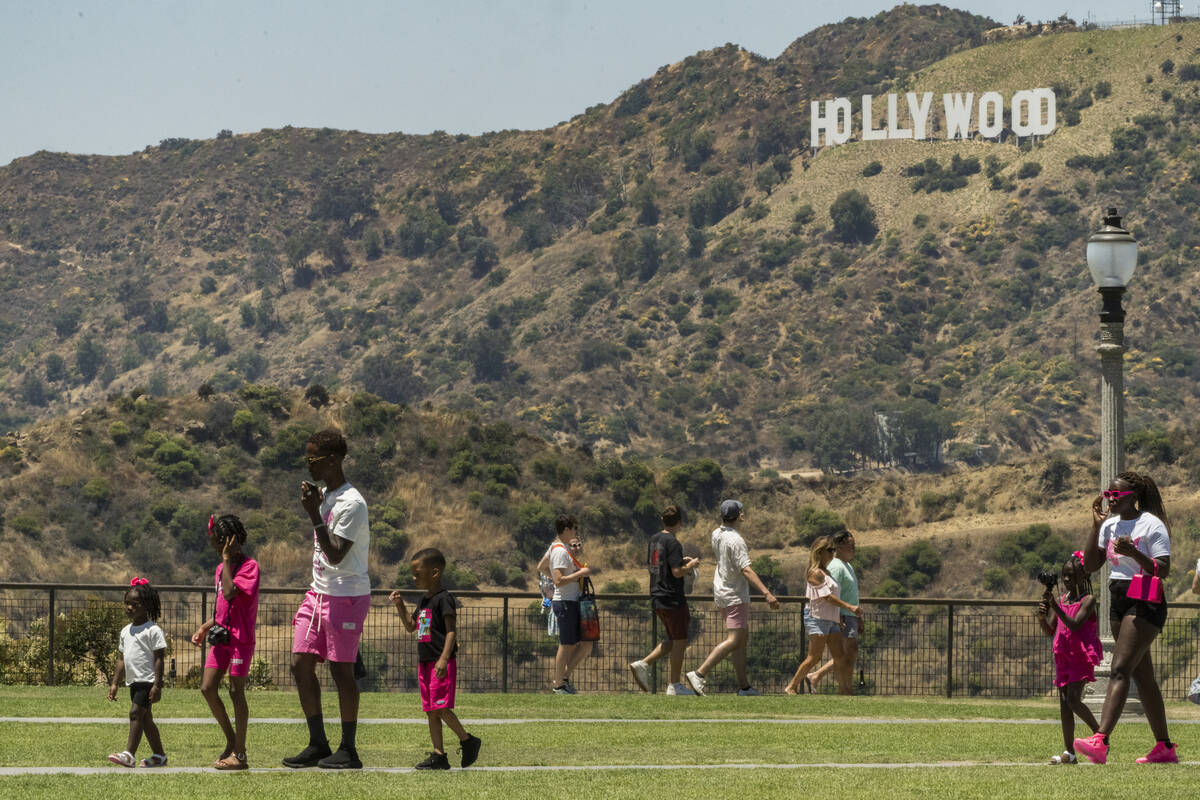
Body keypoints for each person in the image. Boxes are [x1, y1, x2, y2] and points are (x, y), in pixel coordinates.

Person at [1075, 470, 1178, 764]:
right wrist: (1096, 527)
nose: (1110, 499)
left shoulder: (1151, 524)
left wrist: (1134, 552)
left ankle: (1101, 739)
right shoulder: (1109, 526)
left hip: (1145, 600)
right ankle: (1164, 748)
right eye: (1108, 494)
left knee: (1119, 668)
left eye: (1116, 495)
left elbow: (1163, 570)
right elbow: (1091, 566)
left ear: (1133, 497)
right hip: (1119, 597)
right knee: (1143, 676)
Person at [283, 429, 372, 770]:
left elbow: (336, 554)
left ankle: (348, 750)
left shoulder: (352, 503)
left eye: (313, 459)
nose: (308, 465)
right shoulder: (326, 496)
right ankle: (318, 743)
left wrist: (313, 513)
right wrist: (317, 507)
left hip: (346, 596)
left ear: (332, 460)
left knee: (341, 670)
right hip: (318, 592)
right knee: (299, 664)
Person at [390, 548, 482, 770]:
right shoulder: (423, 601)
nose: (414, 578)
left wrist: (443, 658)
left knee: (440, 707)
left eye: (417, 573)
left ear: (435, 573)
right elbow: (412, 627)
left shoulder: (444, 600)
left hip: (441, 663)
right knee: (431, 709)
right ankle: (439, 755)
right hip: (425, 661)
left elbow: (451, 631)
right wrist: (400, 605)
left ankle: (467, 740)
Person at [685, 499, 780, 696]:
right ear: (739, 516)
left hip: (721, 589)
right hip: (734, 593)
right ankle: (699, 673)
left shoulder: (716, 533)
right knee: (735, 639)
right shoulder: (736, 540)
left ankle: (744, 687)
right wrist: (767, 593)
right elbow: (746, 569)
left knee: (741, 640)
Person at [190, 514, 260, 770]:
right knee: (208, 688)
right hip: (221, 635)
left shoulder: (249, 567)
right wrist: (205, 626)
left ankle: (240, 756)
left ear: (233, 540)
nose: (217, 548)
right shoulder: (221, 569)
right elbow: (222, 607)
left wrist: (228, 560)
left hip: (241, 639)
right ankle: (232, 741)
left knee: (235, 691)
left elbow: (230, 593)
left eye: (220, 542)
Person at [1037, 551, 1102, 764]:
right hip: (1063, 656)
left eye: (1071, 575)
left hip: (1080, 655)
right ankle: (1070, 753)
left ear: (1083, 577)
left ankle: (1101, 737)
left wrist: (1055, 606)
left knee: (1073, 699)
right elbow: (1051, 630)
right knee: (1064, 704)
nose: (1066, 580)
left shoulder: (1088, 600)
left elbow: (1074, 625)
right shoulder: (1063, 598)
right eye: (1064, 575)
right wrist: (1042, 617)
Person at [629, 505, 701, 695]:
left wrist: (679, 561)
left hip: (657, 595)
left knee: (672, 640)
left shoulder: (654, 539)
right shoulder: (674, 542)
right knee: (681, 641)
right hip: (672, 597)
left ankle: (643, 664)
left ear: (662, 519)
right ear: (679, 522)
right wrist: (691, 565)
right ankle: (674, 685)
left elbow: (660, 564)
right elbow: (677, 573)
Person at [785, 537, 861, 694]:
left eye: (834, 550)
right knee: (814, 657)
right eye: (830, 550)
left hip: (831, 619)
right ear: (820, 552)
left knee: (840, 656)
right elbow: (827, 597)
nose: (833, 554)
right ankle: (791, 686)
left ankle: (845, 691)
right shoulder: (815, 573)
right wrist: (849, 607)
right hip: (818, 618)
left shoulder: (827, 572)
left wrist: (838, 617)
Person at [107, 577, 168, 768]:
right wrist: (115, 682)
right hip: (133, 682)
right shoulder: (126, 631)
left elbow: (159, 659)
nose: (129, 608)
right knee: (146, 720)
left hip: (147, 681)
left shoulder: (153, 630)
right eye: (127, 604)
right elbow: (121, 659)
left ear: (147, 605)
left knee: (135, 713)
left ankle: (129, 755)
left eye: (135, 604)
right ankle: (159, 756)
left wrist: (157, 685)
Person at [807, 529, 860, 695]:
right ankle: (845, 689)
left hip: (851, 615)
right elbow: (832, 592)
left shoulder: (847, 566)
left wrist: (859, 618)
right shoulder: (836, 566)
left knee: (847, 653)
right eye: (851, 545)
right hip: (844, 615)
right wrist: (841, 614)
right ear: (841, 545)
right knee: (844, 655)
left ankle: (819, 677)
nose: (854, 549)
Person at [545, 514, 593, 693]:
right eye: (574, 529)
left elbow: (543, 567)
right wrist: (580, 574)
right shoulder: (559, 552)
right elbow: (558, 580)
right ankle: (559, 684)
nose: (576, 532)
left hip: (570, 601)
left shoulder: (560, 549)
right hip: (564, 601)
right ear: (566, 530)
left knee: (574, 644)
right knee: (566, 645)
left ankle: (562, 679)